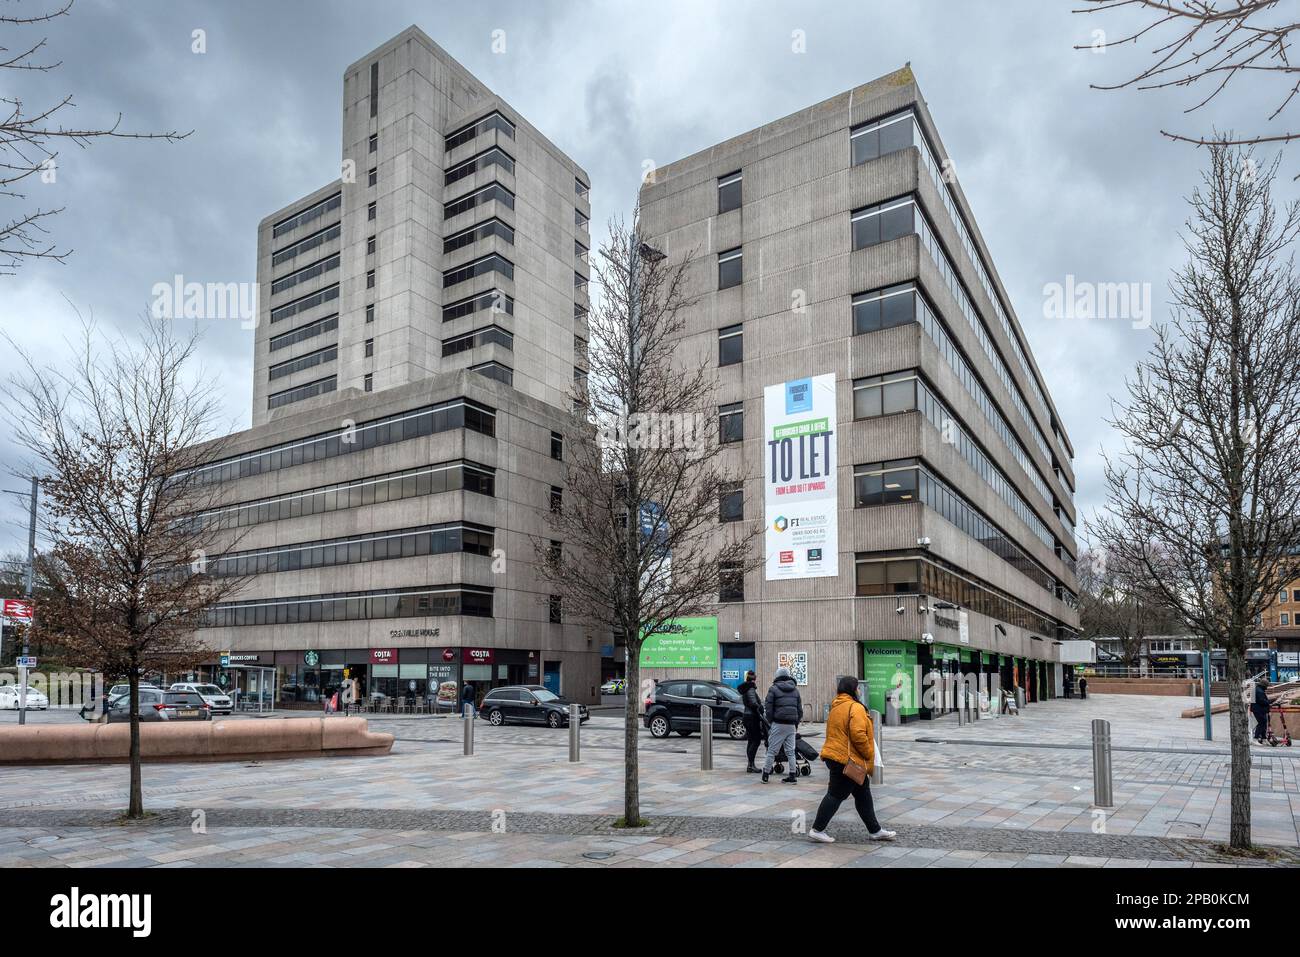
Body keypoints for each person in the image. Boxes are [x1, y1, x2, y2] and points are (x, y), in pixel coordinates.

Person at [808, 676, 896, 844]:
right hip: (847, 760)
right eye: (858, 688)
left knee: (863, 793)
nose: (859, 691)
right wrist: (869, 752)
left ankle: (875, 830)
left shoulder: (837, 706)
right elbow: (858, 734)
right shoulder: (854, 707)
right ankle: (817, 829)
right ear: (852, 689)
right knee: (835, 794)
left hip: (837, 756)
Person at [762, 666, 802, 784]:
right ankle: (792, 775)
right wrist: (796, 723)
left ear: (777, 676)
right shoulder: (795, 690)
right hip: (791, 725)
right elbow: (800, 710)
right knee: (790, 751)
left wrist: (771, 721)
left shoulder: (773, 689)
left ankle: (765, 774)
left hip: (778, 723)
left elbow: (768, 708)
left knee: (772, 750)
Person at [736, 671, 767, 773]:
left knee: (751, 741)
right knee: (756, 741)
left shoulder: (746, 688)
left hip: (747, 716)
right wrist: (760, 707)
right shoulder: (751, 688)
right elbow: (753, 703)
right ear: (754, 680)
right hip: (752, 718)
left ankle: (750, 764)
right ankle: (751, 764)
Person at [1252, 679, 1272, 744]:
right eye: (1266, 686)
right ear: (1263, 685)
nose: (1267, 687)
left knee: (1264, 723)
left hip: (1259, 709)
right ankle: (1255, 739)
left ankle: (1264, 738)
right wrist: (1270, 701)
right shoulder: (1259, 691)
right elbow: (1262, 701)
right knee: (1261, 723)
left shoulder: (1257, 689)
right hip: (1258, 709)